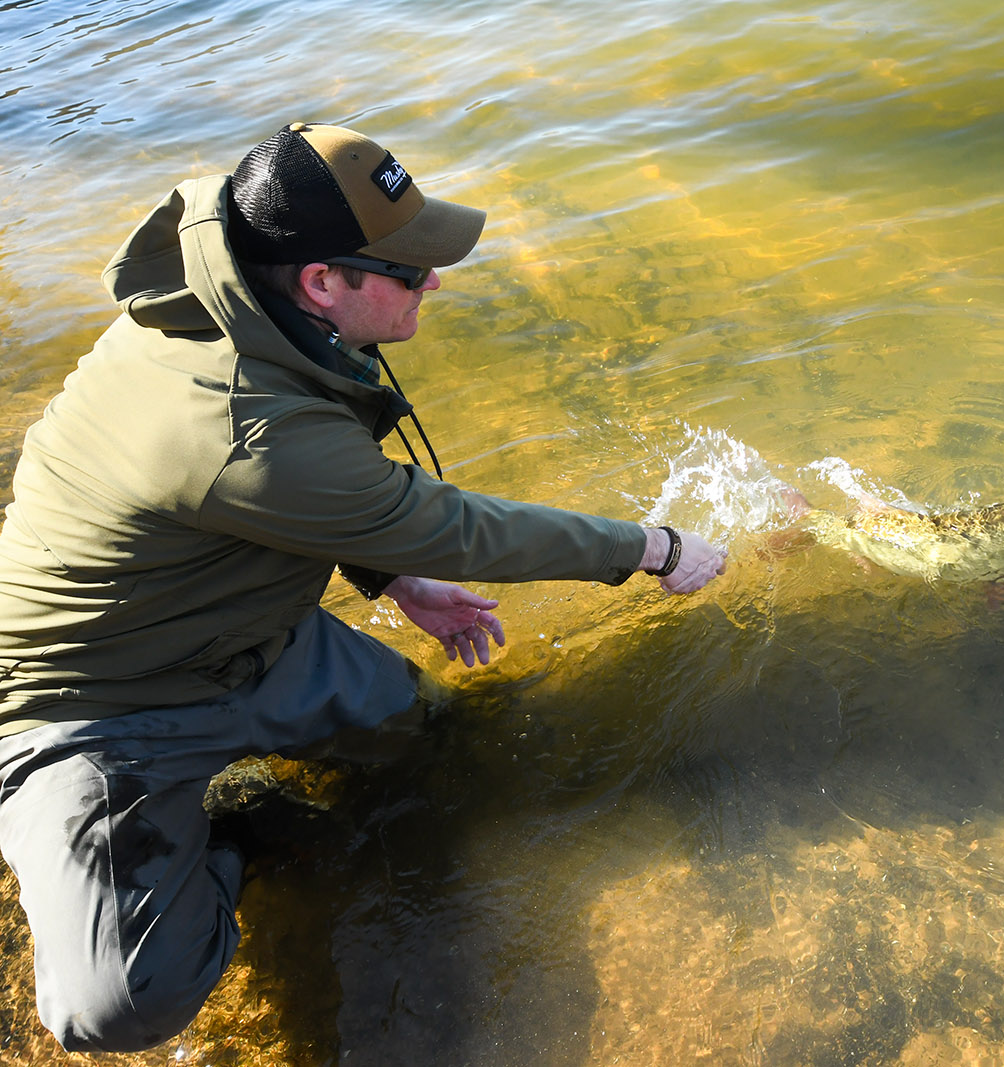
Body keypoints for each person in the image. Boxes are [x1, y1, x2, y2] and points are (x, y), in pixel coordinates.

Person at [0, 121, 726, 1053]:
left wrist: (391, 576)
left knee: (429, 732)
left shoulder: (246, 309)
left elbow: (280, 499)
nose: (435, 282)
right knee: (118, 1007)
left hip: (243, 633)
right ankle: (230, 835)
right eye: (410, 270)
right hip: (101, 703)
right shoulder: (245, 427)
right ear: (321, 282)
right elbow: (457, 526)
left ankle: (251, 789)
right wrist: (654, 547)